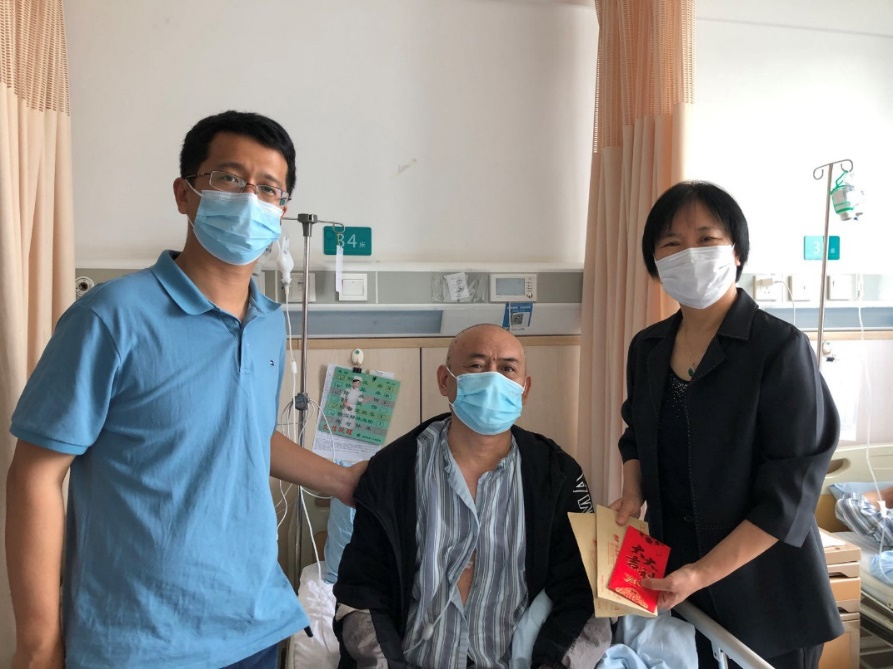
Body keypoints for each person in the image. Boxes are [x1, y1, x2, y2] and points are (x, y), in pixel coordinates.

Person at [5, 110, 366, 669]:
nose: (250, 199)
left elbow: (243, 433)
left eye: (268, 188)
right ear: (185, 193)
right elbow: (36, 473)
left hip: (253, 628)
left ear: (282, 210)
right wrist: (37, 642)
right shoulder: (111, 318)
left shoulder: (270, 324)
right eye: (229, 178)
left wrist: (343, 481)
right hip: (140, 641)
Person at [610, 181, 843, 668]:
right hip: (678, 583)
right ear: (655, 263)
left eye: (706, 239)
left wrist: (702, 573)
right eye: (672, 243)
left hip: (767, 597)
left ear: (736, 251)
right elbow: (636, 435)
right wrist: (632, 493)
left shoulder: (779, 349)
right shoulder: (648, 348)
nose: (689, 254)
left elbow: (790, 495)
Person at [333, 324, 609, 669]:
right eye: (476, 366)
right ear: (444, 380)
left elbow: (584, 593)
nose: (493, 379)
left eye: (507, 368)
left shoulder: (558, 476)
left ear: (524, 389)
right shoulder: (393, 470)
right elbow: (362, 591)